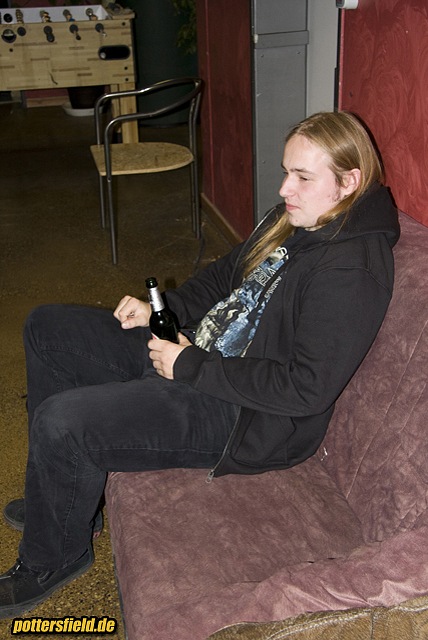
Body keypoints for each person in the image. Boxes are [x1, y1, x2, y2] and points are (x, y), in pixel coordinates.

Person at [0, 111, 399, 618]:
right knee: (47, 327)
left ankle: (52, 559)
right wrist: (162, 311)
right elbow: (223, 277)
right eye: (286, 172)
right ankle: (63, 503)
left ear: (349, 182)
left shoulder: (352, 268)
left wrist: (190, 366)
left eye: (302, 177)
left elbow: (306, 388)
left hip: (245, 415)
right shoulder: (295, 219)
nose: (285, 188)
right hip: (199, 352)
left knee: (63, 424)